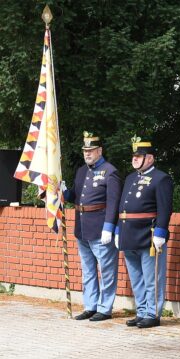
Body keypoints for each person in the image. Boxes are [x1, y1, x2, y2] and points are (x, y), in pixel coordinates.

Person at [115, 136, 173, 329]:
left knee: (152, 278)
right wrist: (117, 230)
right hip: (128, 234)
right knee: (136, 278)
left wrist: (161, 232)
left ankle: (152, 313)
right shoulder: (130, 178)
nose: (135, 159)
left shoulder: (161, 178)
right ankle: (141, 311)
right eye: (134, 156)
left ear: (150, 158)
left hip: (148, 235)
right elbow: (122, 207)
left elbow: (165, 208)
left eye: (139, 156)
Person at [64, 132, 122, 321]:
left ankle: (104, 308)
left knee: (106, 270)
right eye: (85, 150)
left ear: (99, 151)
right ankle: (90, 306)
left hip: (100, 228)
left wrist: (109, 226)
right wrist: (64, 191)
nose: (87, 153)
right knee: (88, 270)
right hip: (82, 228)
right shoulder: (82, 171)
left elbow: (114, 202)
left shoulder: (110, 171)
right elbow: (75, 196)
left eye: (91, 150)